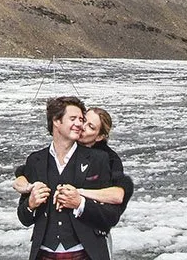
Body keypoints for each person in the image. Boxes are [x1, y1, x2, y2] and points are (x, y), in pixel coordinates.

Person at [16, 96, 123, 260]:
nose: (80, 124)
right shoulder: (35, 160)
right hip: (44, 254)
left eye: (81, 119)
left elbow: (111, 216)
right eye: (73, 118)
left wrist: (80, 204)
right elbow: (24, 218)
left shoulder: (98, 159)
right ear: (56, 121)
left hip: (85, 254)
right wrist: (31, 204)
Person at [16, 107, 132, 208]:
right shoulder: (65, 145)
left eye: (91, 127)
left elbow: (118, 195)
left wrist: (79, 194)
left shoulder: (109, 158)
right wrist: (30, 187)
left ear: (99, 137)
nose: (82, 127)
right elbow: (22, 175)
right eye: (83, 121)